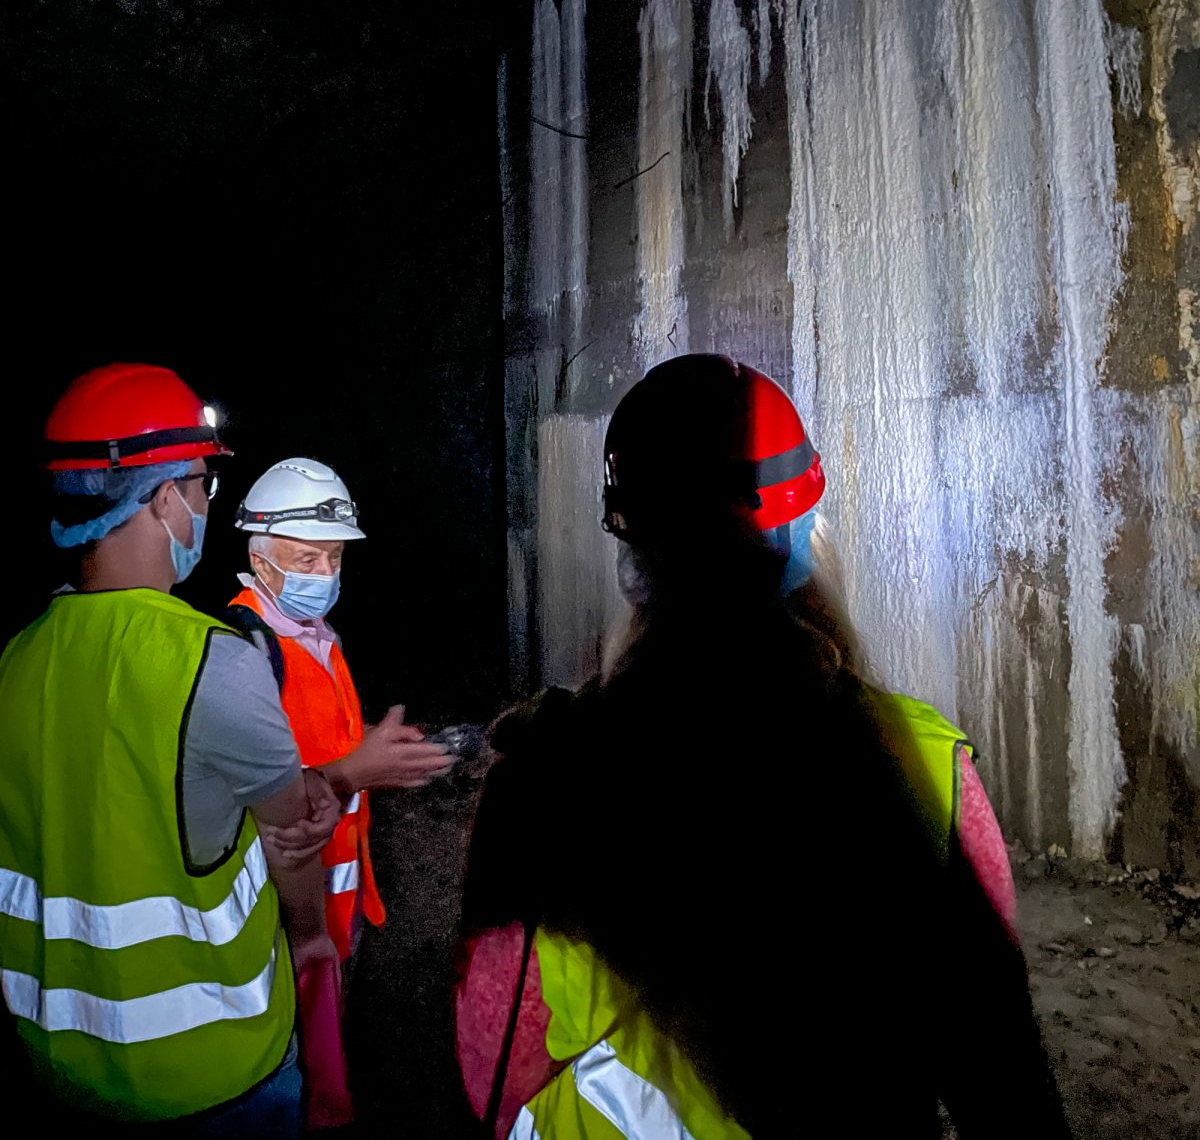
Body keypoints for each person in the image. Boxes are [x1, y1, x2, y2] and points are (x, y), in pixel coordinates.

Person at [455, 354, 1069, 1138]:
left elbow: (491, 1065)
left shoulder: (542, 776)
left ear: (631, 557)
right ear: (807, 533)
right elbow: (1006, 1085)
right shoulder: (918, 766)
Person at [0, 364, 340, 1134]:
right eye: (201, 487)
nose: (204, 505)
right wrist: (312, 933)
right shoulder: (213, 662)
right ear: (164, 500)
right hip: (218, 1074)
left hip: (58, 1066)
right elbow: (290, 838)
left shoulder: (16, 663)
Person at [230, 458, 452, 964]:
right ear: (261, 562)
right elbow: (245, 796)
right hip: (281, 919)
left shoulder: (317, 637)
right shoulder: (243, 649)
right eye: (308, 560)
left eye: (335, 557)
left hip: (336, 903)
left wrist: (380, 750)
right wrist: (355, 771)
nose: (326, 574)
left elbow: (317, 739)